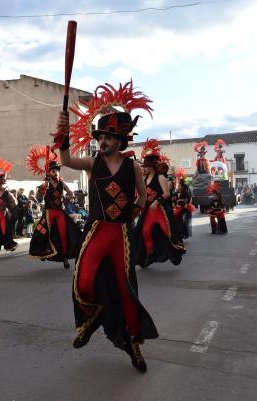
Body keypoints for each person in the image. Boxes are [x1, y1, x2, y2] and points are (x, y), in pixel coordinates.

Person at [54, 82, 158, 373]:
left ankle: (134, 346)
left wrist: (134, 212)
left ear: (120, 139)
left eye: (108, 136)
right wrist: (62, 132)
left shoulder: (133, 167)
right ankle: (92, 318)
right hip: (97, 230)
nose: (102, 140)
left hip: (121, 234)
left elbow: (143, 195)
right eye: (100, 135)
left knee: (127, 293)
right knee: (83, 281)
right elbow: (65, 159)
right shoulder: (92, 163)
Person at [133, 140, 185, 267]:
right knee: (145, 233)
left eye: (146, 166)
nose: (144, 168)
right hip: (148, 211)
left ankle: (175, 252)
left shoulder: (161, 178)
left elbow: (166, 193)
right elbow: (142, 195)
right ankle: (148, 256)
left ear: (151, 166)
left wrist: (156, 201)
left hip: (160, 210)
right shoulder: (144, 179)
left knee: (168, 232)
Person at [29, 161, 80, 269]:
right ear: (49, 173)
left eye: (57, 170)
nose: (56, 172)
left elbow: (71, 194)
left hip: (59, 212)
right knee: (43, 232)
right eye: (53, 170)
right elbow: (39, 196)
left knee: (63, 235)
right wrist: (44, 186)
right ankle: (43, 251)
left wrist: (65, 201)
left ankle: (64, 257)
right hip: (49, 213)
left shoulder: (62, 184)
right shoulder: (45, 184)